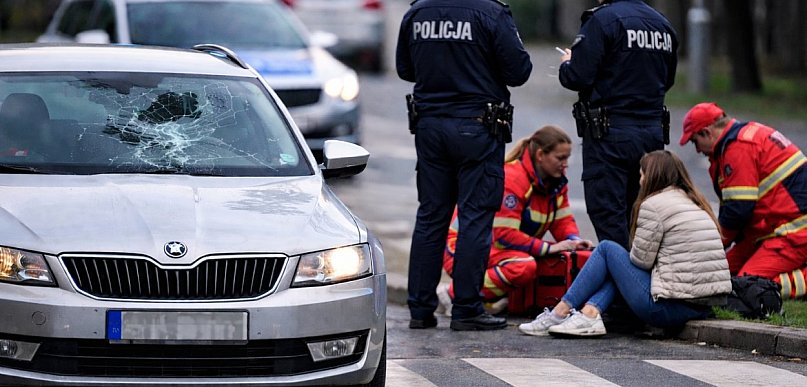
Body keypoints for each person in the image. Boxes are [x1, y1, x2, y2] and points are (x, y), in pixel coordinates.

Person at [396, 0, 532, 331]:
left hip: (429, 126)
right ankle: (467, 308)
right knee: (474, 217)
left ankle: (420, 309)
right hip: (477, 125)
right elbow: (519, 71)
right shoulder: (491, 12)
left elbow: (405, 70)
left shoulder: (418, 12)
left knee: (431, 216)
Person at [518, 150, 732, 337]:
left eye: (641, 174)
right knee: (617, 265)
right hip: (703, 306)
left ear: (651, 177)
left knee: (607, 250)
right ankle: (589, 313)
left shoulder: (653, 205)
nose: (639, 180)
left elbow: (641, 262)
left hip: (668, 308)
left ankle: (560, 311)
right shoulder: (695, 202)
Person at [557, 0, 678, 250]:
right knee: (643, 217)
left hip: (609, 136)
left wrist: (568, 63)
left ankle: (623, 285)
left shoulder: (602, 20)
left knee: (609, 218)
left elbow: (577, 76)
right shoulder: (662, 24)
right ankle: (638, 282)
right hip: (652, 136)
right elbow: (667, 81)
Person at [439, 125, 594, 315]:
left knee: (547, 259)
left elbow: (562, 220)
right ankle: (454, 295)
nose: (565, 164)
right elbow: (505, 235)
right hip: (461, 249)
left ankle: (500, 297)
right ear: (540, 155)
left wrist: (574, 241)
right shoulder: (513, 178)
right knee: (523, 266)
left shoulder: (556, 182)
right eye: (560, 158)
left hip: (496, 248)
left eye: (567, 158)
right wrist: (548, 247)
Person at [679, 102, 807, 300]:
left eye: (695, 141)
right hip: (772, 230)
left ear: (707, 132)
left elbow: (738, 210)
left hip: (793, 233)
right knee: (721, 273)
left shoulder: (739, 147)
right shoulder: (743, 137)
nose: (696, 150)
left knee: (747, 285)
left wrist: (714, 244)